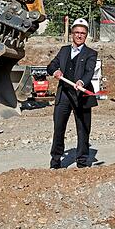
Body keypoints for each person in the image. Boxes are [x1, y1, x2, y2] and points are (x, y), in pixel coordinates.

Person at [47, 18, 98, 169]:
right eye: (77, 32)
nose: (79, 35)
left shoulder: (91, 53)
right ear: (72, 34)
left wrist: (82, 82)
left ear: (86, 35)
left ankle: (82, 161)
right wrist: (55, 70)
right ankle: (55, 160)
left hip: (81, 97)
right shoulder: (63, 51)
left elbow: (89, 71)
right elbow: (51, 66)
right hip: (64, 95)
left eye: (83, 33)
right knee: (59, 128)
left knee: (83, 129)